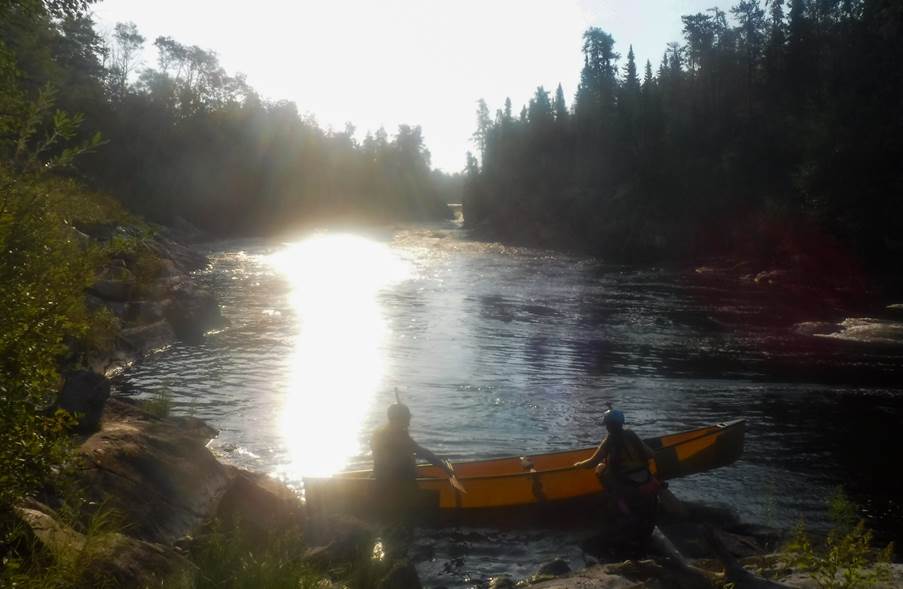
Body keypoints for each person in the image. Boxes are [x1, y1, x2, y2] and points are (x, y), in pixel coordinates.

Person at [574, 407, 657, 512]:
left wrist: (578, 464)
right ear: (622, 423)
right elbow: (651, 454)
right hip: (645, 475)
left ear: (608, 425)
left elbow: (592, 462)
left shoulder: (609, 440)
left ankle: (618, 500)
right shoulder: (631, 434)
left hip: (626, 479)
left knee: (600, 468)